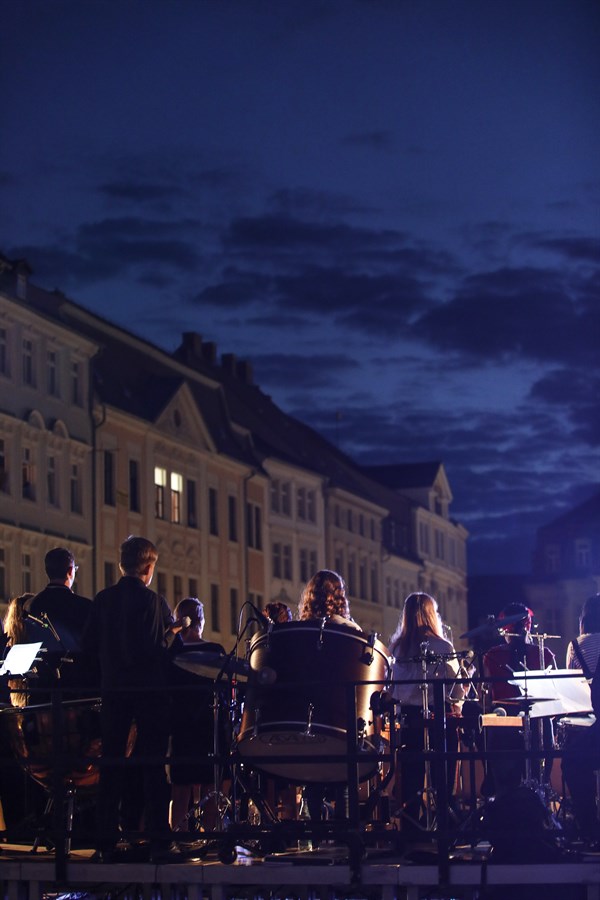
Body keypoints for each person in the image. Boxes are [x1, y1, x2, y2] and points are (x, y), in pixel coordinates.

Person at [82, 536, 178, 862]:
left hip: (113, 691)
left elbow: (88, 646)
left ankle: (106, 841)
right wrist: (171, 635)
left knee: (111, 764)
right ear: (148, 568)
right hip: (148, 694)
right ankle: (159, 839)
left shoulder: (103, 600)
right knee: (153, 765)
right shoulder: (153, 602)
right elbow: (158, 651)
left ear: (122, 564)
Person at [389, 592, 467, 838]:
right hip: (438, 717)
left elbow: (394, 689)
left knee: (412, 776)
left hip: (409, 719)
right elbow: (454, 692)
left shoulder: (397, 648)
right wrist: (464, 688)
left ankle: (412, 827)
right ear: (432, 615)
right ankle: (444, 823)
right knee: (442, 773)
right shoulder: (443, 647)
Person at [297, 570, 361, 825]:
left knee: (312, 777)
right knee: (343, 776)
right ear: (339, 596)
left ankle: (315, 831)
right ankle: (344, 831)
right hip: (340, 713)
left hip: (309, 712)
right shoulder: (349, 630)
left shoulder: (301, 631)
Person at [483, 602, 556, 791]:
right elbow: (554, 695)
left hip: (503, 725)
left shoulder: (492, 656)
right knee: (538, 783)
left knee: (505, 786)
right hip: (538, 723)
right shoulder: (544, 654)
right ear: (528, 627)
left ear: (504, 629)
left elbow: (487, 698)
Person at [168, 597, 226, 835]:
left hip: (181, 726)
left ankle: (178, 833)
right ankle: (209, 833)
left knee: (180, 786)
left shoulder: (173, 653)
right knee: (211, 783)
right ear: (201, 621)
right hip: (208, 725)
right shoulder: (214, 651)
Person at [15, 548, 94, 702]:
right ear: (70, 571)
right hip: (76, 684)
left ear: (47, 571)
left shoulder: (32, 605)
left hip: (41, 683)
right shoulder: (84, 606)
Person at [561, 594, 600, 845]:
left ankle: (589, 827)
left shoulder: (576, 645)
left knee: (572, 761)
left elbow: (571, 686)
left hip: (590, 721)